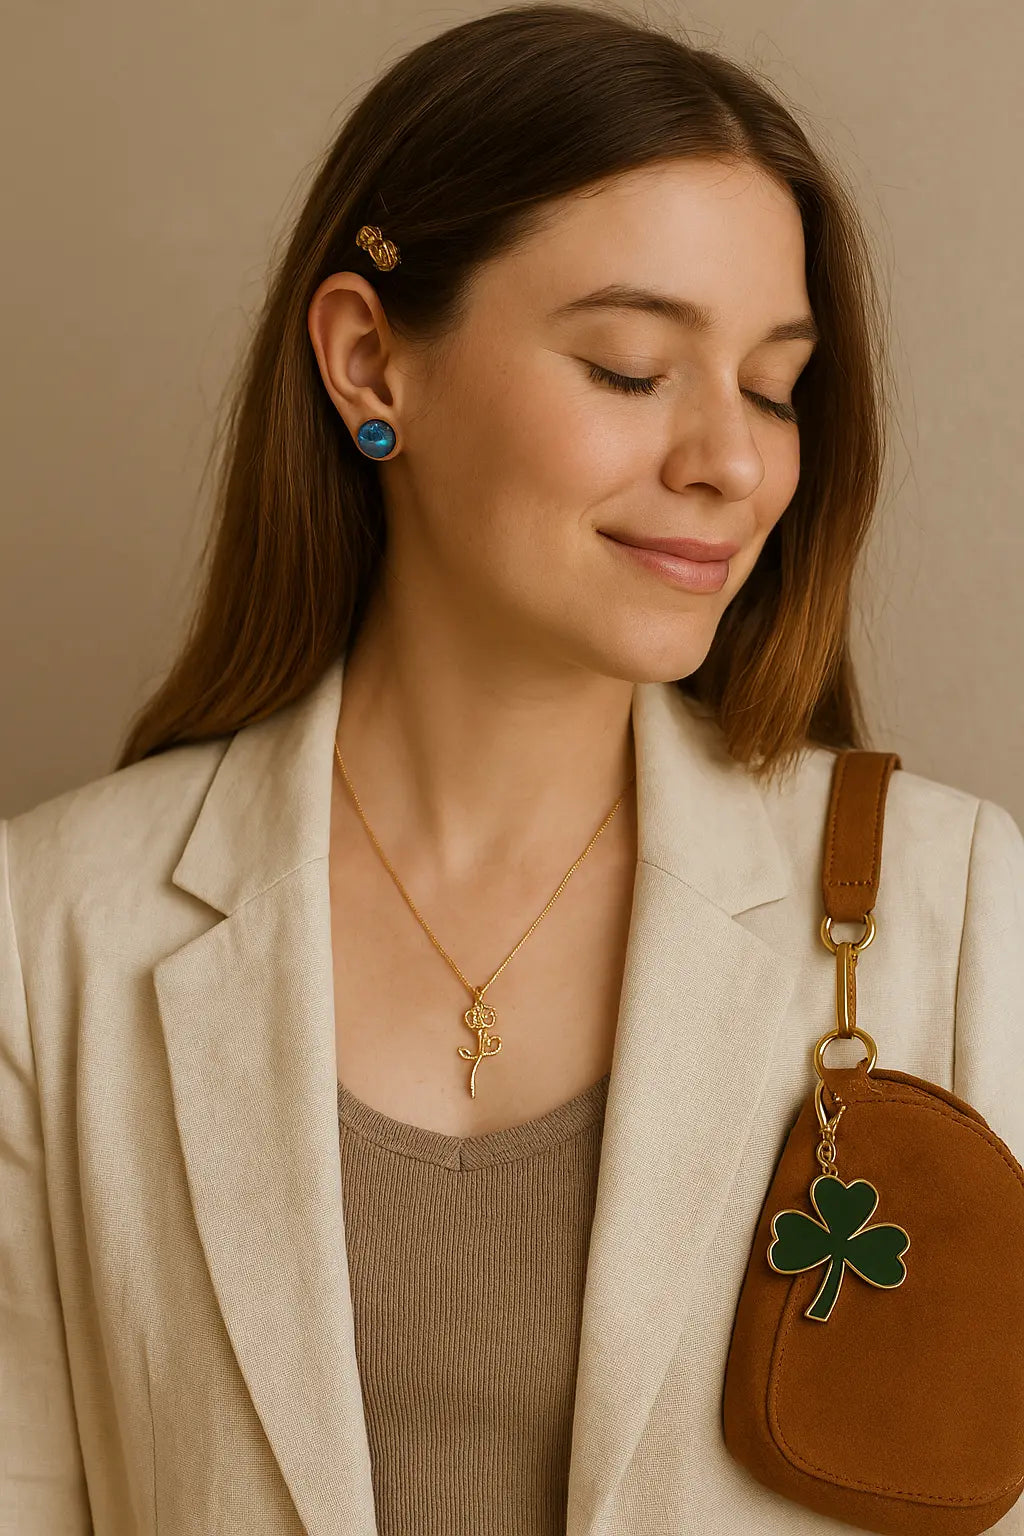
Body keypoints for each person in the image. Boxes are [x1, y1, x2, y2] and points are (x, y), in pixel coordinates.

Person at [3, 5, 1022, 1533]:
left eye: (771, 385)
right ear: (369, 364)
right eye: (629, 366)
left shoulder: (962, 909)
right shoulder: (45, 934)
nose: (731, 463)